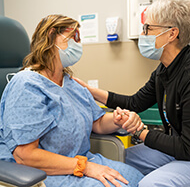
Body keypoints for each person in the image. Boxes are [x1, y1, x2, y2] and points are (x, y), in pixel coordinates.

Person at [74, 0, 190, 187]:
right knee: (116, 158)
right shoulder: (165, 70)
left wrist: (140, 131)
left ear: (172, 34)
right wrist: (90, 91)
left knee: (150, 184)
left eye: (148, 28)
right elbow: (135, 103)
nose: (143, 34)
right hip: (179, 149)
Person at [0, 14, 144, 187]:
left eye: (79, 38)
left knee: (138, 179)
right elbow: (26, 156)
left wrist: (117, 120)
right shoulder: (26, 85)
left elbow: (96, 122)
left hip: (83, 162)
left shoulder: (71, 83)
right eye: (74, 37)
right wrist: (85, 167)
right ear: (50, 36)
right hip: (45, 173)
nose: (78, 44)